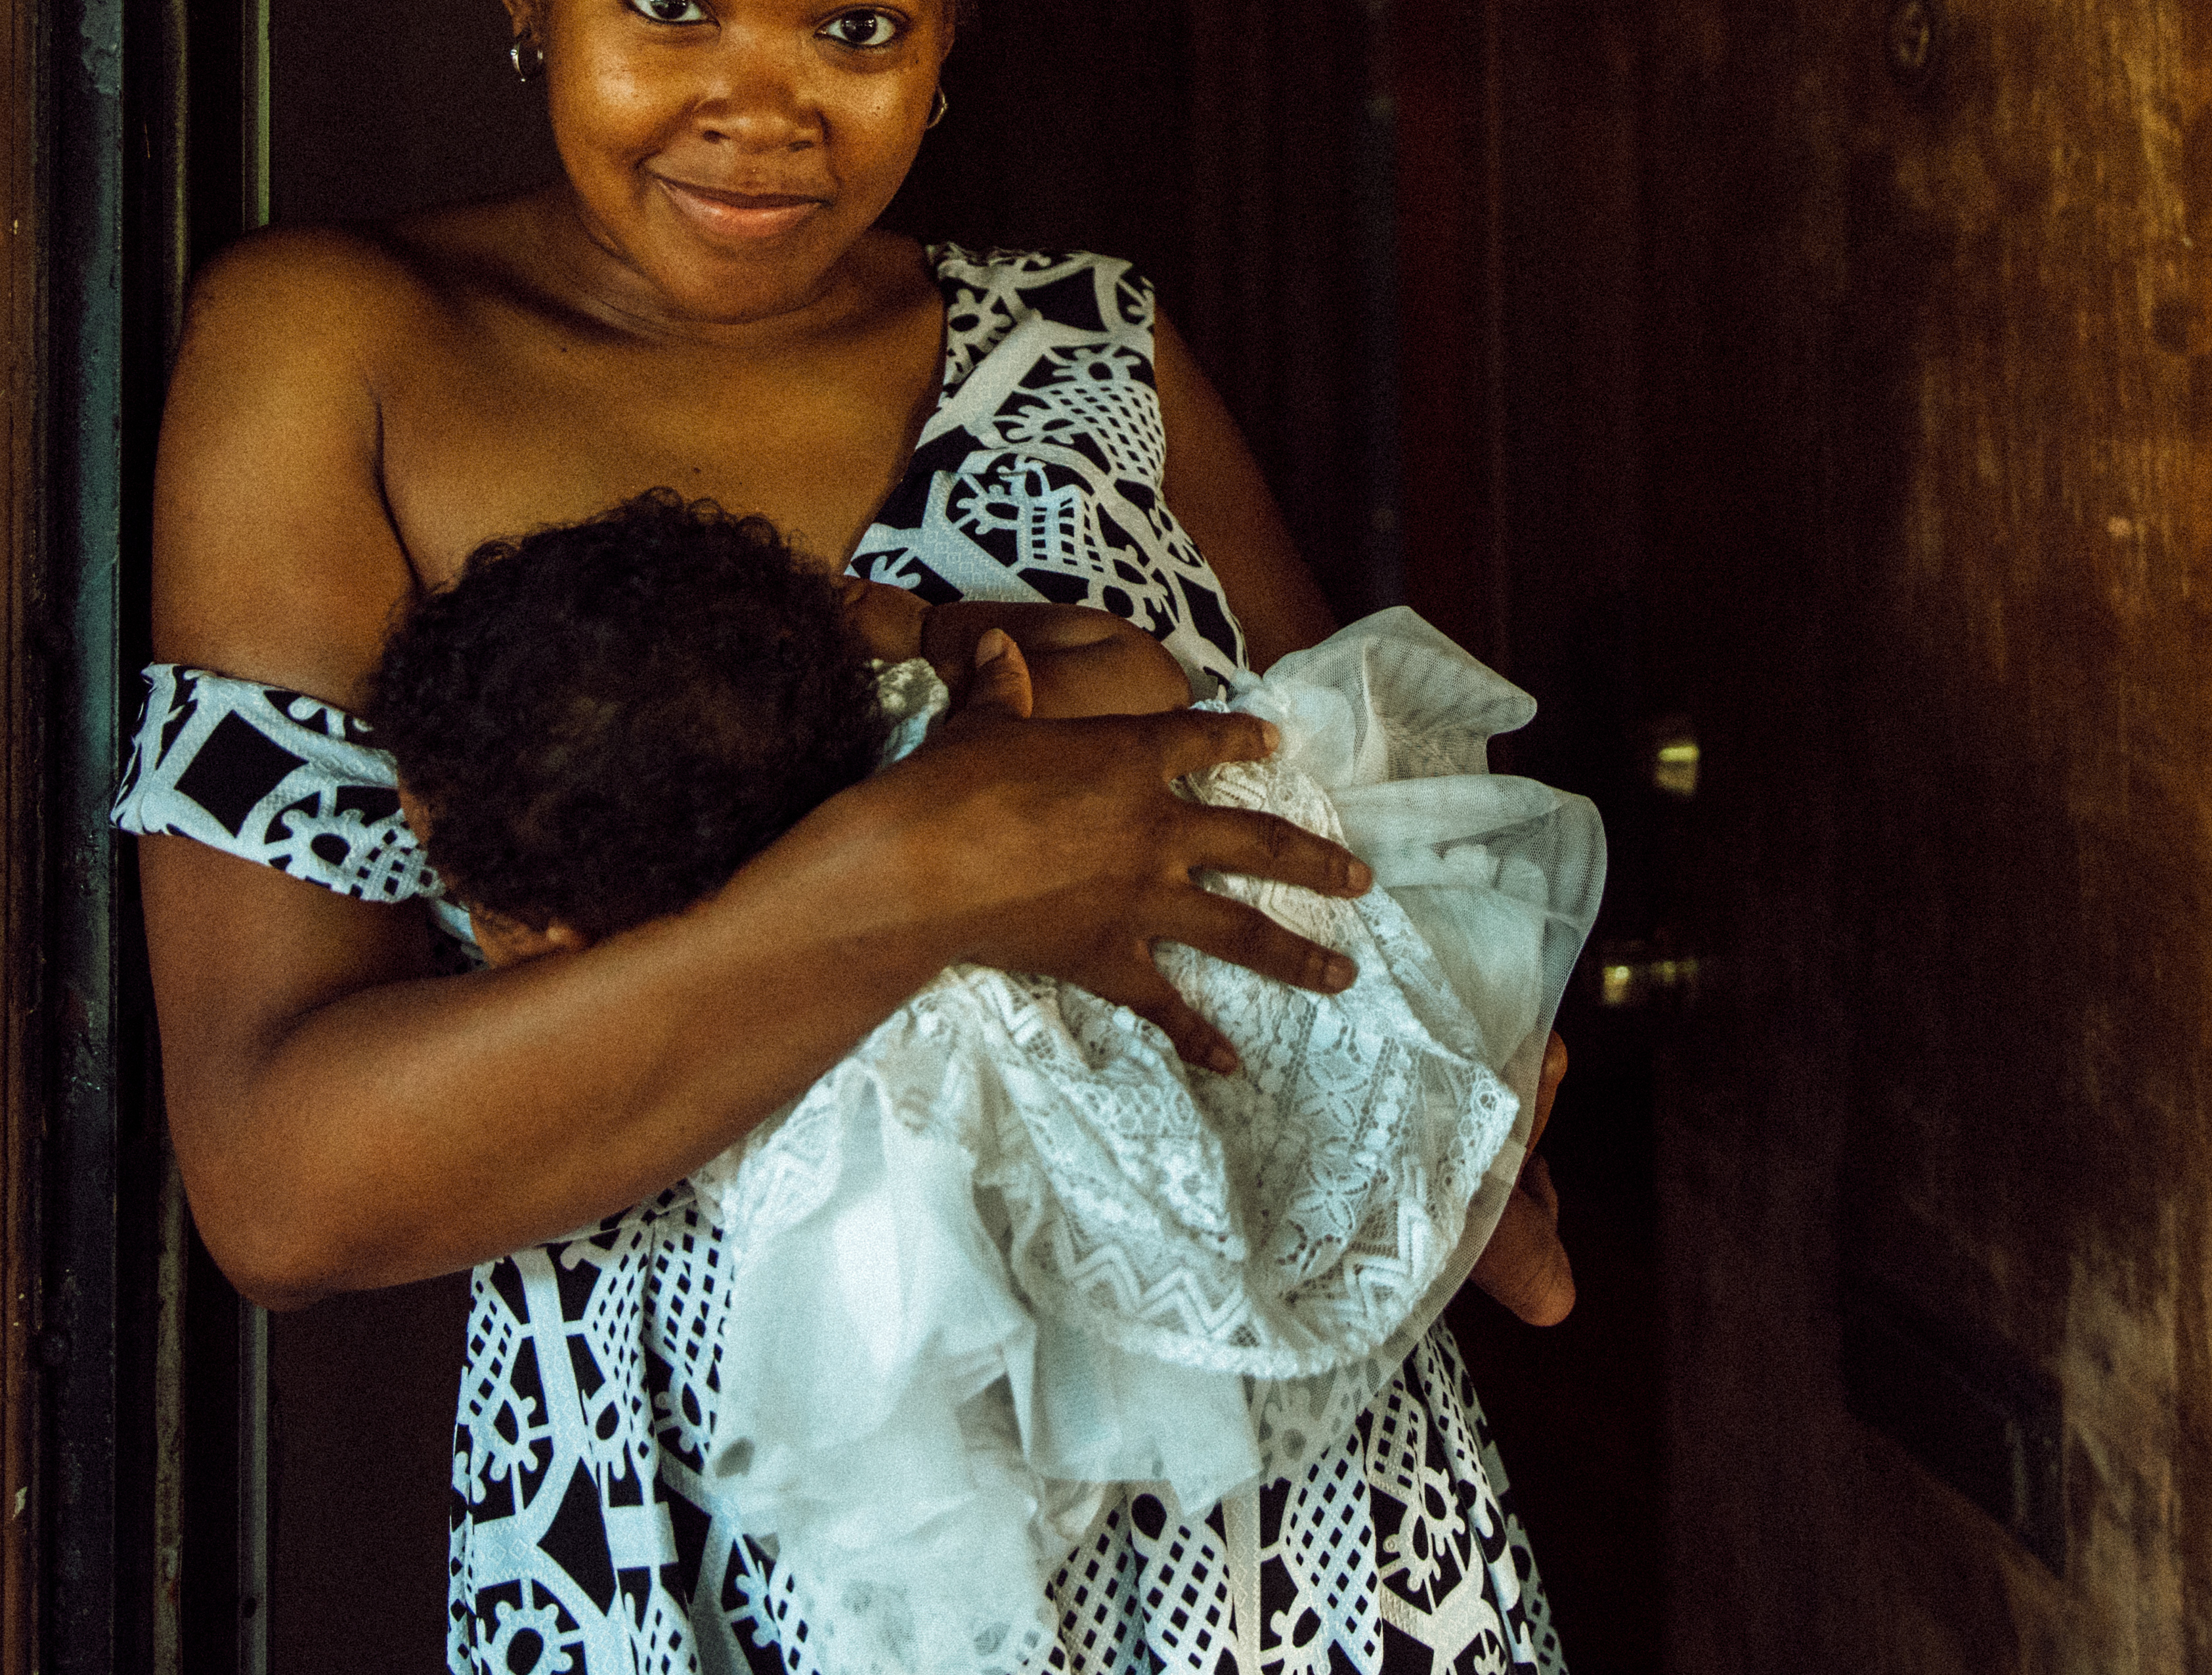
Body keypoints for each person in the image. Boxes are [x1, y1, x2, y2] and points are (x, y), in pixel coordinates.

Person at [118, 0, 1575, 1674]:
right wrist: (909, 882)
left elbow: (1355, 869)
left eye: (859, 24)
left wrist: (1457, 1056)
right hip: (704, 1548)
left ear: (950, 29)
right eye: (670, 3)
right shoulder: (339, 354)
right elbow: (285, 1185)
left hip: (1267, 1533)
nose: (760, 109)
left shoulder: (1100, 360)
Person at [336, 487, 1600, 1672]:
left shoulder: (719, 996)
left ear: (558, 937)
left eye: (459, 886)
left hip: (1111, 1141)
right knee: (1372, 1034)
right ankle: (1507, 1224)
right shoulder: (952, 730)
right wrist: (945, 629)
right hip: (1264, 983)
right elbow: (1144, 672)